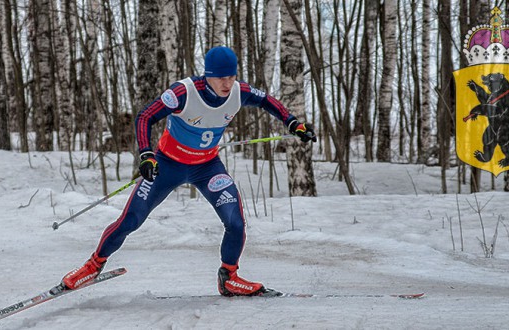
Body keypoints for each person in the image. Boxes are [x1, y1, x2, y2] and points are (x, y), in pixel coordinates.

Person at [61, 46, 317, 296]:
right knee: (131, 220)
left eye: (231, 77)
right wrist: (146, 155)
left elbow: (268, 101)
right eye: (220, 78)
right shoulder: (184, 92)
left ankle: (229, 277)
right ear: (208, 76)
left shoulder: (240, 92)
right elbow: (144, 117)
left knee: (235, 222)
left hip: (207, 167)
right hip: (168, 165)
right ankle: (93, 266)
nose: (227, 84)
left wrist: (293, 123)